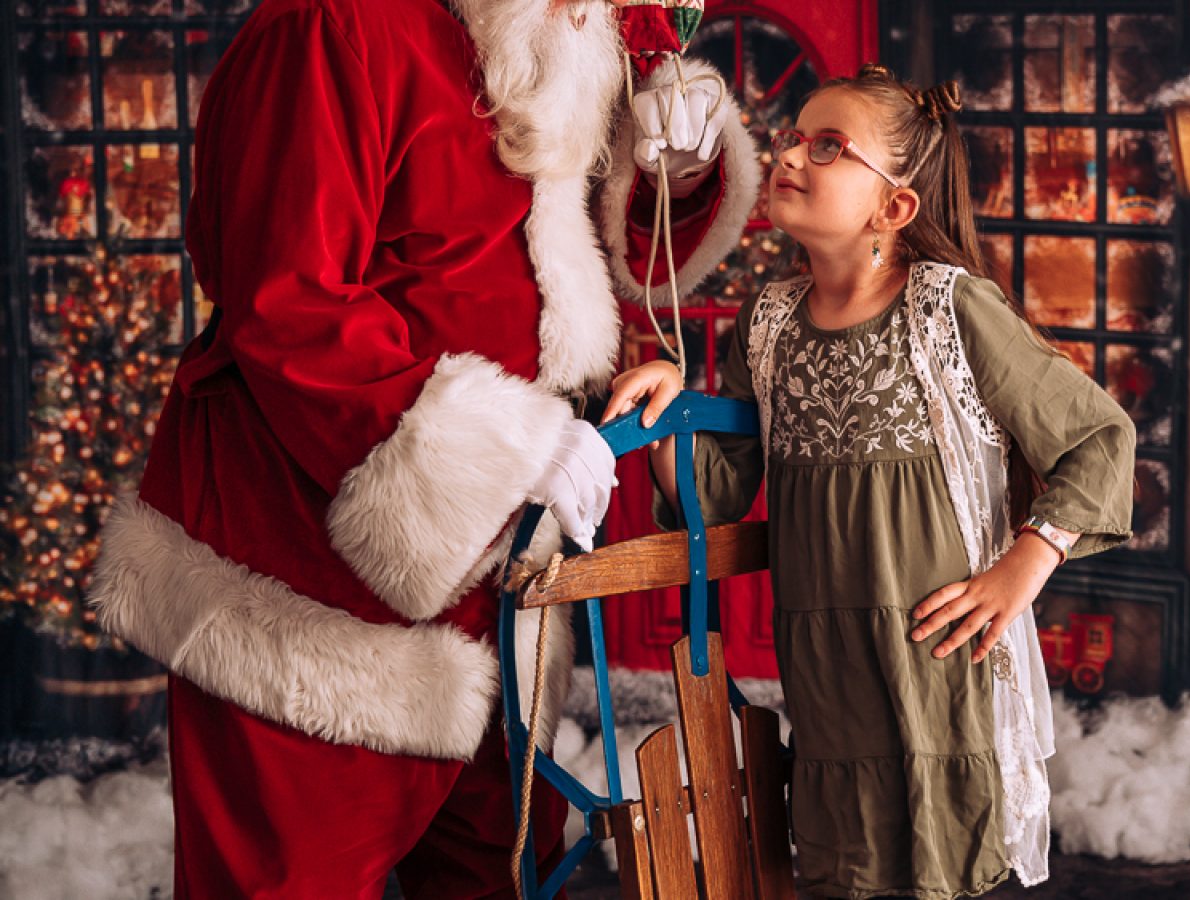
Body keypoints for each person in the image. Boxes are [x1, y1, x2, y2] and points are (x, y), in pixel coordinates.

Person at [87, 0, 761, 896]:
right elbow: (289, 304)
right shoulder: (327, 25)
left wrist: (672, 175)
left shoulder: (541, 27)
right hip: (307, 585)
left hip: (504, 584)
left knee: (501, 873)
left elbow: (576, 255)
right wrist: (509, 447)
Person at [604, 64, 1136, 898]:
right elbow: (712, 496)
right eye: (791, 139)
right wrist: (669, 415)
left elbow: (1101, 439)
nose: (790, 156)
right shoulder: (770, 323)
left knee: (940, 860)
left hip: (939, 658)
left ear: (893, 208)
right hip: (827, 670)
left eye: (828, 147)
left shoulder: (946, 310)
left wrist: (1023, 567)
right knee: (848, 872)